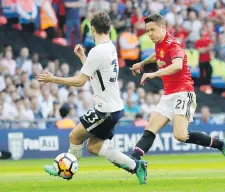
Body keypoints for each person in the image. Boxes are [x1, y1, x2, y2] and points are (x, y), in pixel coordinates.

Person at [37, 11, 147, 184]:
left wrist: (53, 79)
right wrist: (83, 57)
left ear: (92, 29)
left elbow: (81, 81)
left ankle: (65, 171)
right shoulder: (110, 47)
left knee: (75, 136)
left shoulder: (97, 51)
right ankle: (136, 166)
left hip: (105, 110)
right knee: (94, 146)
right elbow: (96, 73)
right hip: (115, 107)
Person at [130, 14, 225, 166]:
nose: (150, 34)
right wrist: (142, 62)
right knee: (150, 127)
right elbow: (158, 55)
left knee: (180, 135)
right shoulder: (159, 42)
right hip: (168, 94)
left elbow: (177, 65)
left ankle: (221, 144)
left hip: (183, 92)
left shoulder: (173, 44)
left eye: (152, 30)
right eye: (147, 31)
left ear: (163, 27)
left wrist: (153, 74)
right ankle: (135, 163)